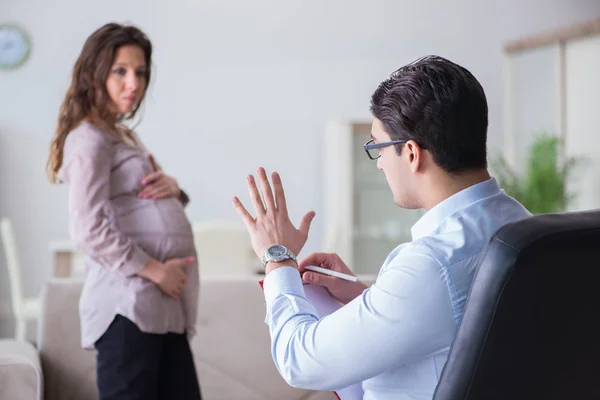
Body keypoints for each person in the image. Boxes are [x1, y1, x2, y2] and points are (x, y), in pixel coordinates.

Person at [232, 55, 531, 399]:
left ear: (411, 153)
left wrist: (277, 256)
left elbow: (300, 361)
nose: (379, 166)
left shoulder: (430, 263)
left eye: (378, 147)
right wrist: (368, 299)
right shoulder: (520, 223)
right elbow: (454, 323)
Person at [46, 23, 202, 400]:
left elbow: (138, 201)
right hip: (127, 306)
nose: (133, 83)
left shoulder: (120, 134)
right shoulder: (89, 138)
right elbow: (88, 227)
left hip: (159, 309)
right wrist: (157, 271)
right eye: (120, 71)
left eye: (140, 72)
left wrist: (174, 191)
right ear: (93, 74)